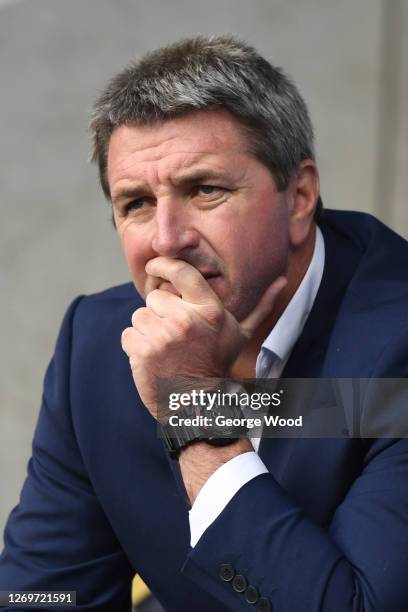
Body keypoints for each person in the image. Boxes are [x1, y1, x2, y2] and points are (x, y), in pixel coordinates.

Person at [1, 35, 407, 612]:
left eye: (205, 189)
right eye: (136, 203)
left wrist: (197, 408)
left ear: (299, 197)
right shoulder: (97, 344)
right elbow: (42, 595)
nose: (168, 239)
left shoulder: (397, 349)